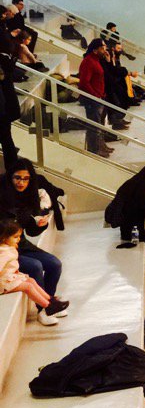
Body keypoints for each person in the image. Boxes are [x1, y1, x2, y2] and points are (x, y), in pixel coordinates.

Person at [0, 161, 67, 325]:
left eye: (25, 179)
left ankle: (50, 305)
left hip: (19, 244)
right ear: (10, 177)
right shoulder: (2, 196)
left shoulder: (28, 197)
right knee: (35, 266)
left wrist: (39, 225)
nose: (21, 182)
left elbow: (29, 230)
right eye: (17, 178)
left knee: (54, 264)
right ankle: (43, 308)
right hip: (4, 248)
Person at [0, 219, 67, 323]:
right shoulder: (4, 252)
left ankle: (51, 300)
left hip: (10, 277)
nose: (18, 240)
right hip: (4, 283)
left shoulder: (9, 248)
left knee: (31, 280)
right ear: (4, 238)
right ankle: (47, 306)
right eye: (15, 237)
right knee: (28, 286)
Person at [78, 39, 113, 156]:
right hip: (93, 100)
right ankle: (95, 150)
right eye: (102, 48)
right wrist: (95, 95)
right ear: (95, 50)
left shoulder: (97, 60)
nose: (105, 50)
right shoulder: (88, 62)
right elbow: (84, 83)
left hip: (99, 98)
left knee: (100, 125)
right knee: (94, 126)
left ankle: (101, 146)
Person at [0, 27, 18, 173]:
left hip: (3, 112)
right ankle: (12, 170)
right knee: (7, 142)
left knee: (7, 142)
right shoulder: (6, 60)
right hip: (4, 111)